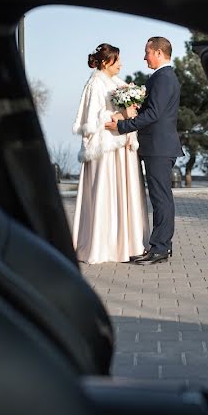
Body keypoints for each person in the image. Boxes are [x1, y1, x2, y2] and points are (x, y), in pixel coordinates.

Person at [105, 36, 183, 265]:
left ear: (159, 53)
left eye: (147, 52)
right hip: (157, 146)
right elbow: (149, 109)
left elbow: (153, 115)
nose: (144, 57)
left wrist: (121, 127)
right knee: (160, 198)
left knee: (161, 199)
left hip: (159, 147)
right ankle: (161, 246)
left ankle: (159, 248)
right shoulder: (162, 77)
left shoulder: (164, 78)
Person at [71, 43, 148, 264]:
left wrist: (128, 112)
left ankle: (123, 243)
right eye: (117, 60)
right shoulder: (95, 83)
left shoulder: (117, 83)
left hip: (120, 145)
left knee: (121, 193)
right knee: (105, 192)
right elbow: (93, 119)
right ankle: (101, 245)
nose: (121, 64)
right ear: (105, 62)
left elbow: (125, 111)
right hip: (105, 148)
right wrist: (118, 117)